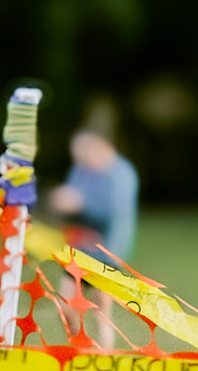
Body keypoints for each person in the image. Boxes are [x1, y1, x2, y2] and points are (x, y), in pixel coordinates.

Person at [50, 125, 139, 346]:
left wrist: (81, 204)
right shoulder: (82, 170)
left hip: (107, 251)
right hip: (80, 248)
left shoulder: (121, 174)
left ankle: (104, 353)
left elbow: (114, 211)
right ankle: (79, 347)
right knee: (65, 305)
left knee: (102, 312)